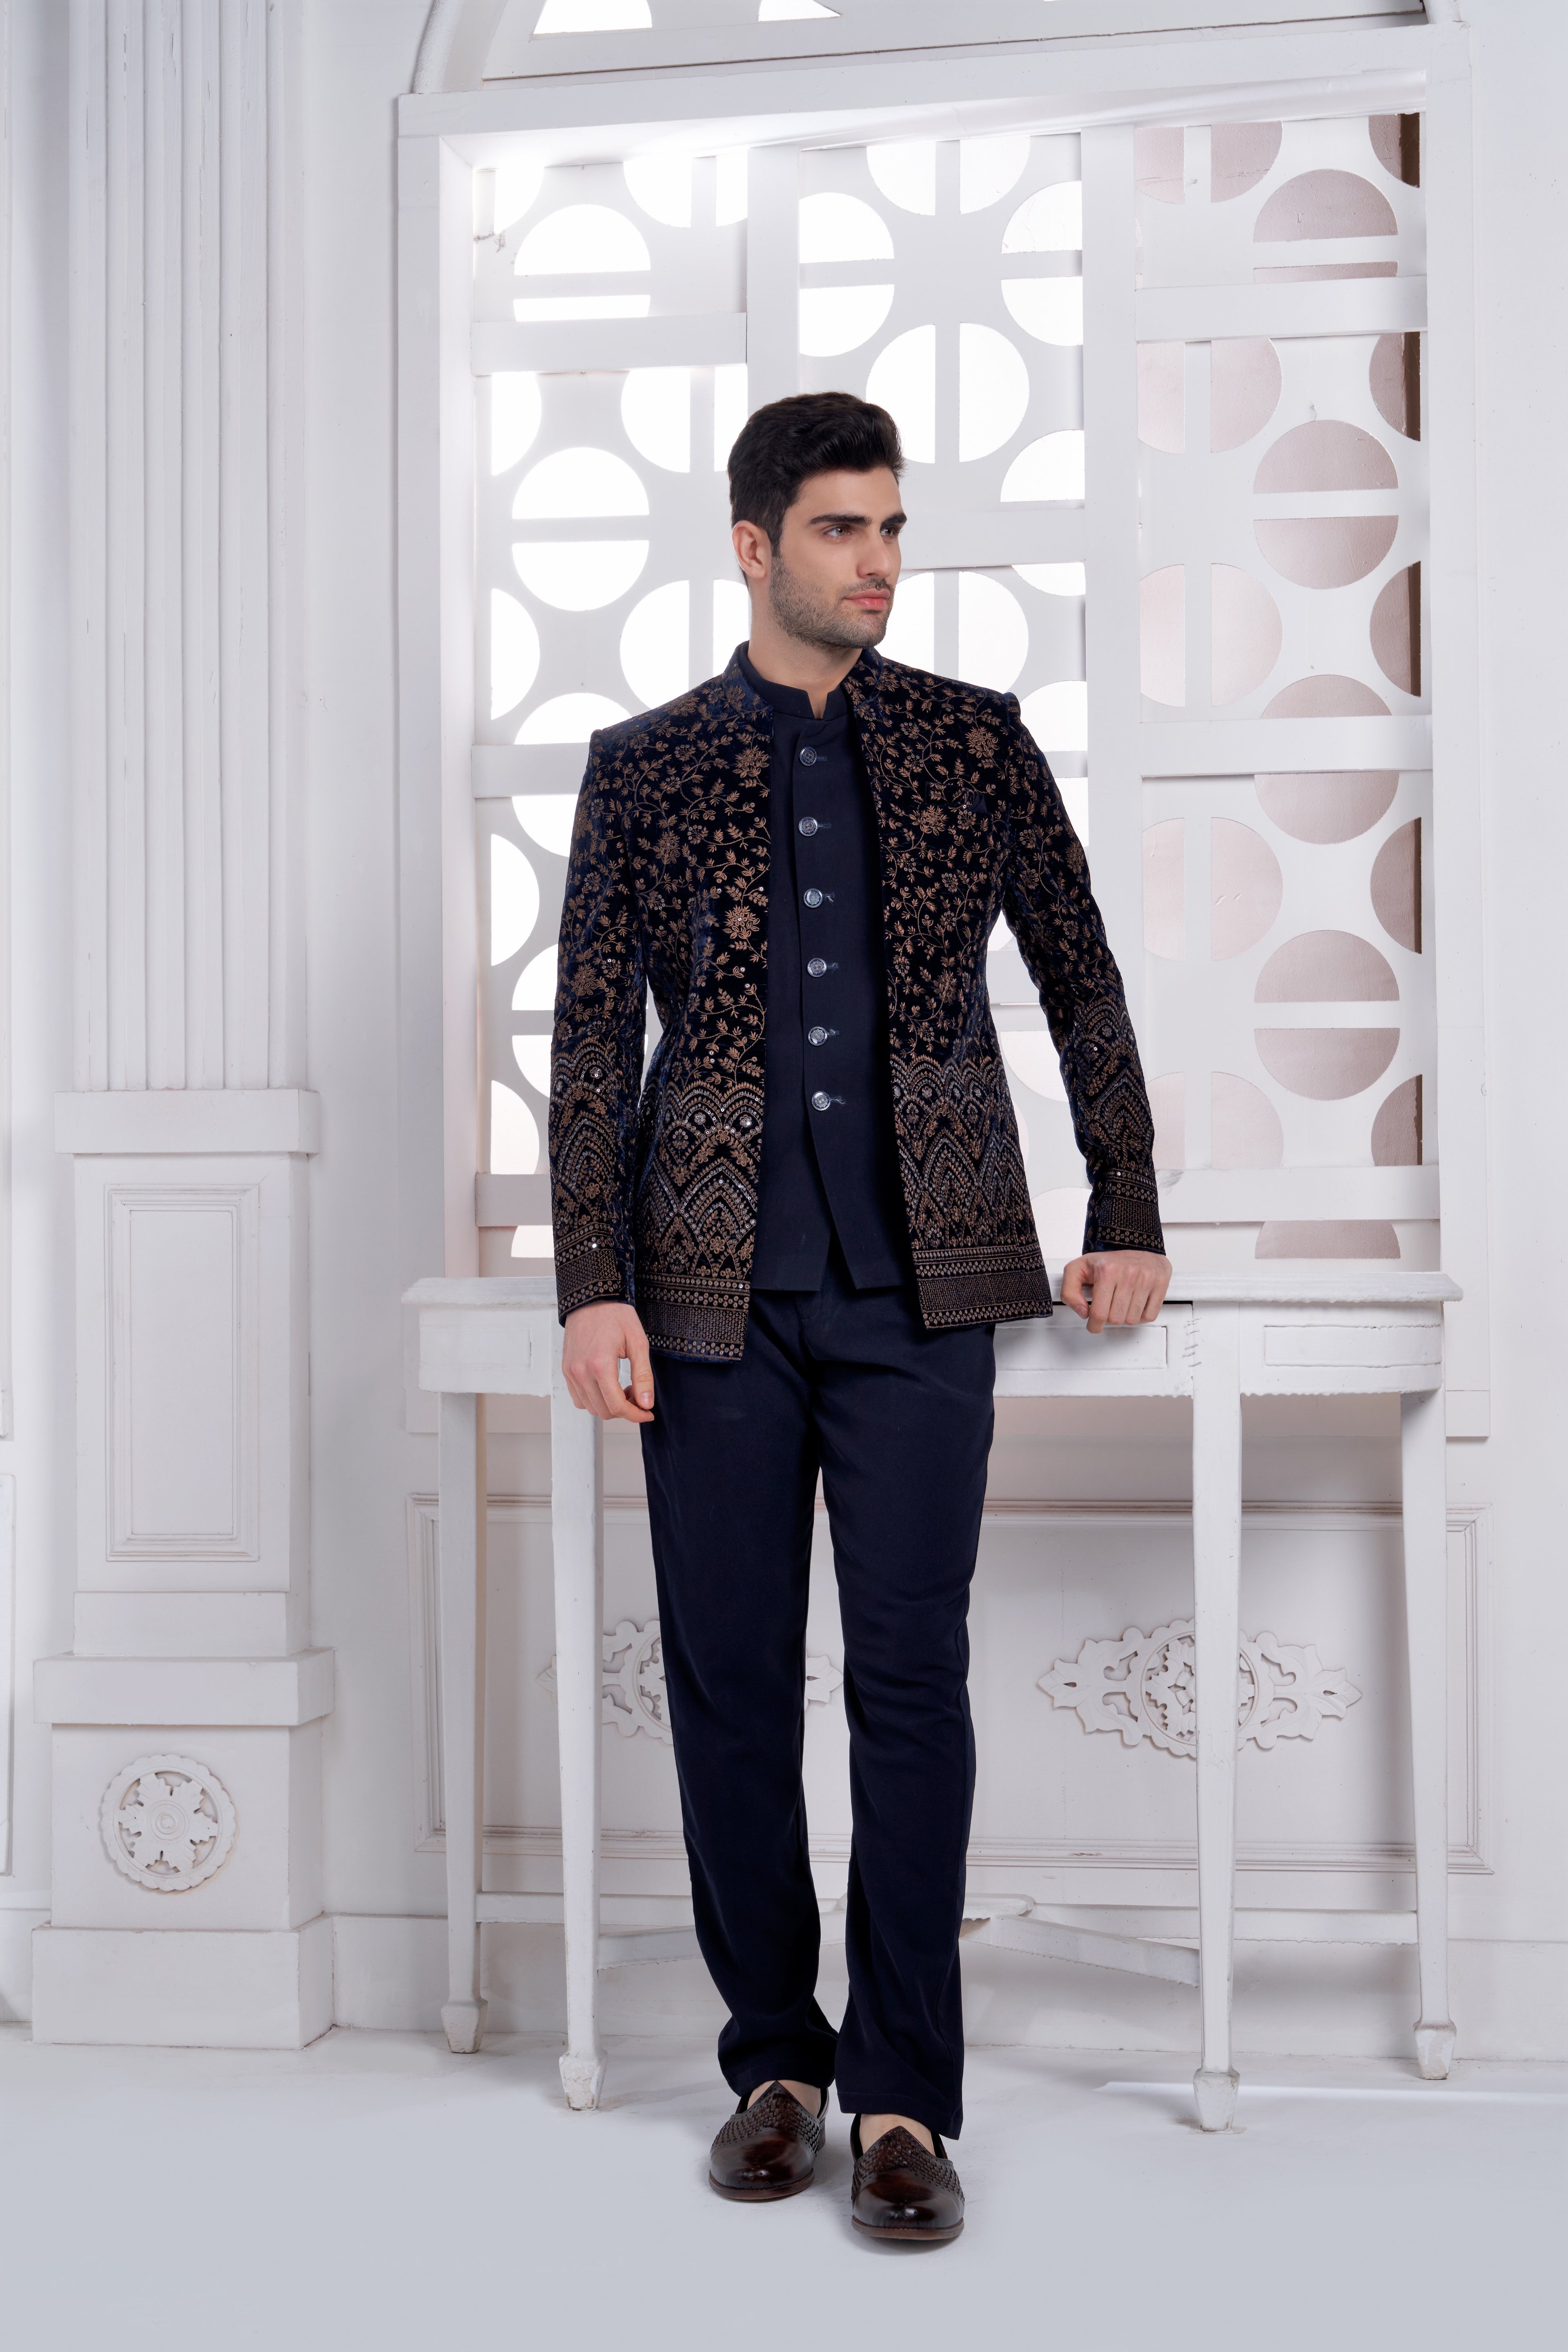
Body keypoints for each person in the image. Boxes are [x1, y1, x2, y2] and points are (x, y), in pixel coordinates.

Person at [549, 390, 1170, 2244]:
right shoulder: (644, 767)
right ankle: (776, 2064)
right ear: (756, 546)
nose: (879, 560)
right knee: (733, 1683)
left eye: (892, 527)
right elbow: (590, 1046)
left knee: (910, 1683)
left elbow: (1081, 978)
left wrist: (1127, 1208)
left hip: (926, 1286)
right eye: (841, 529)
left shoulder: (978, 744)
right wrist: (591, 1280)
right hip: (707, 1297)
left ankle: (903, 2095)